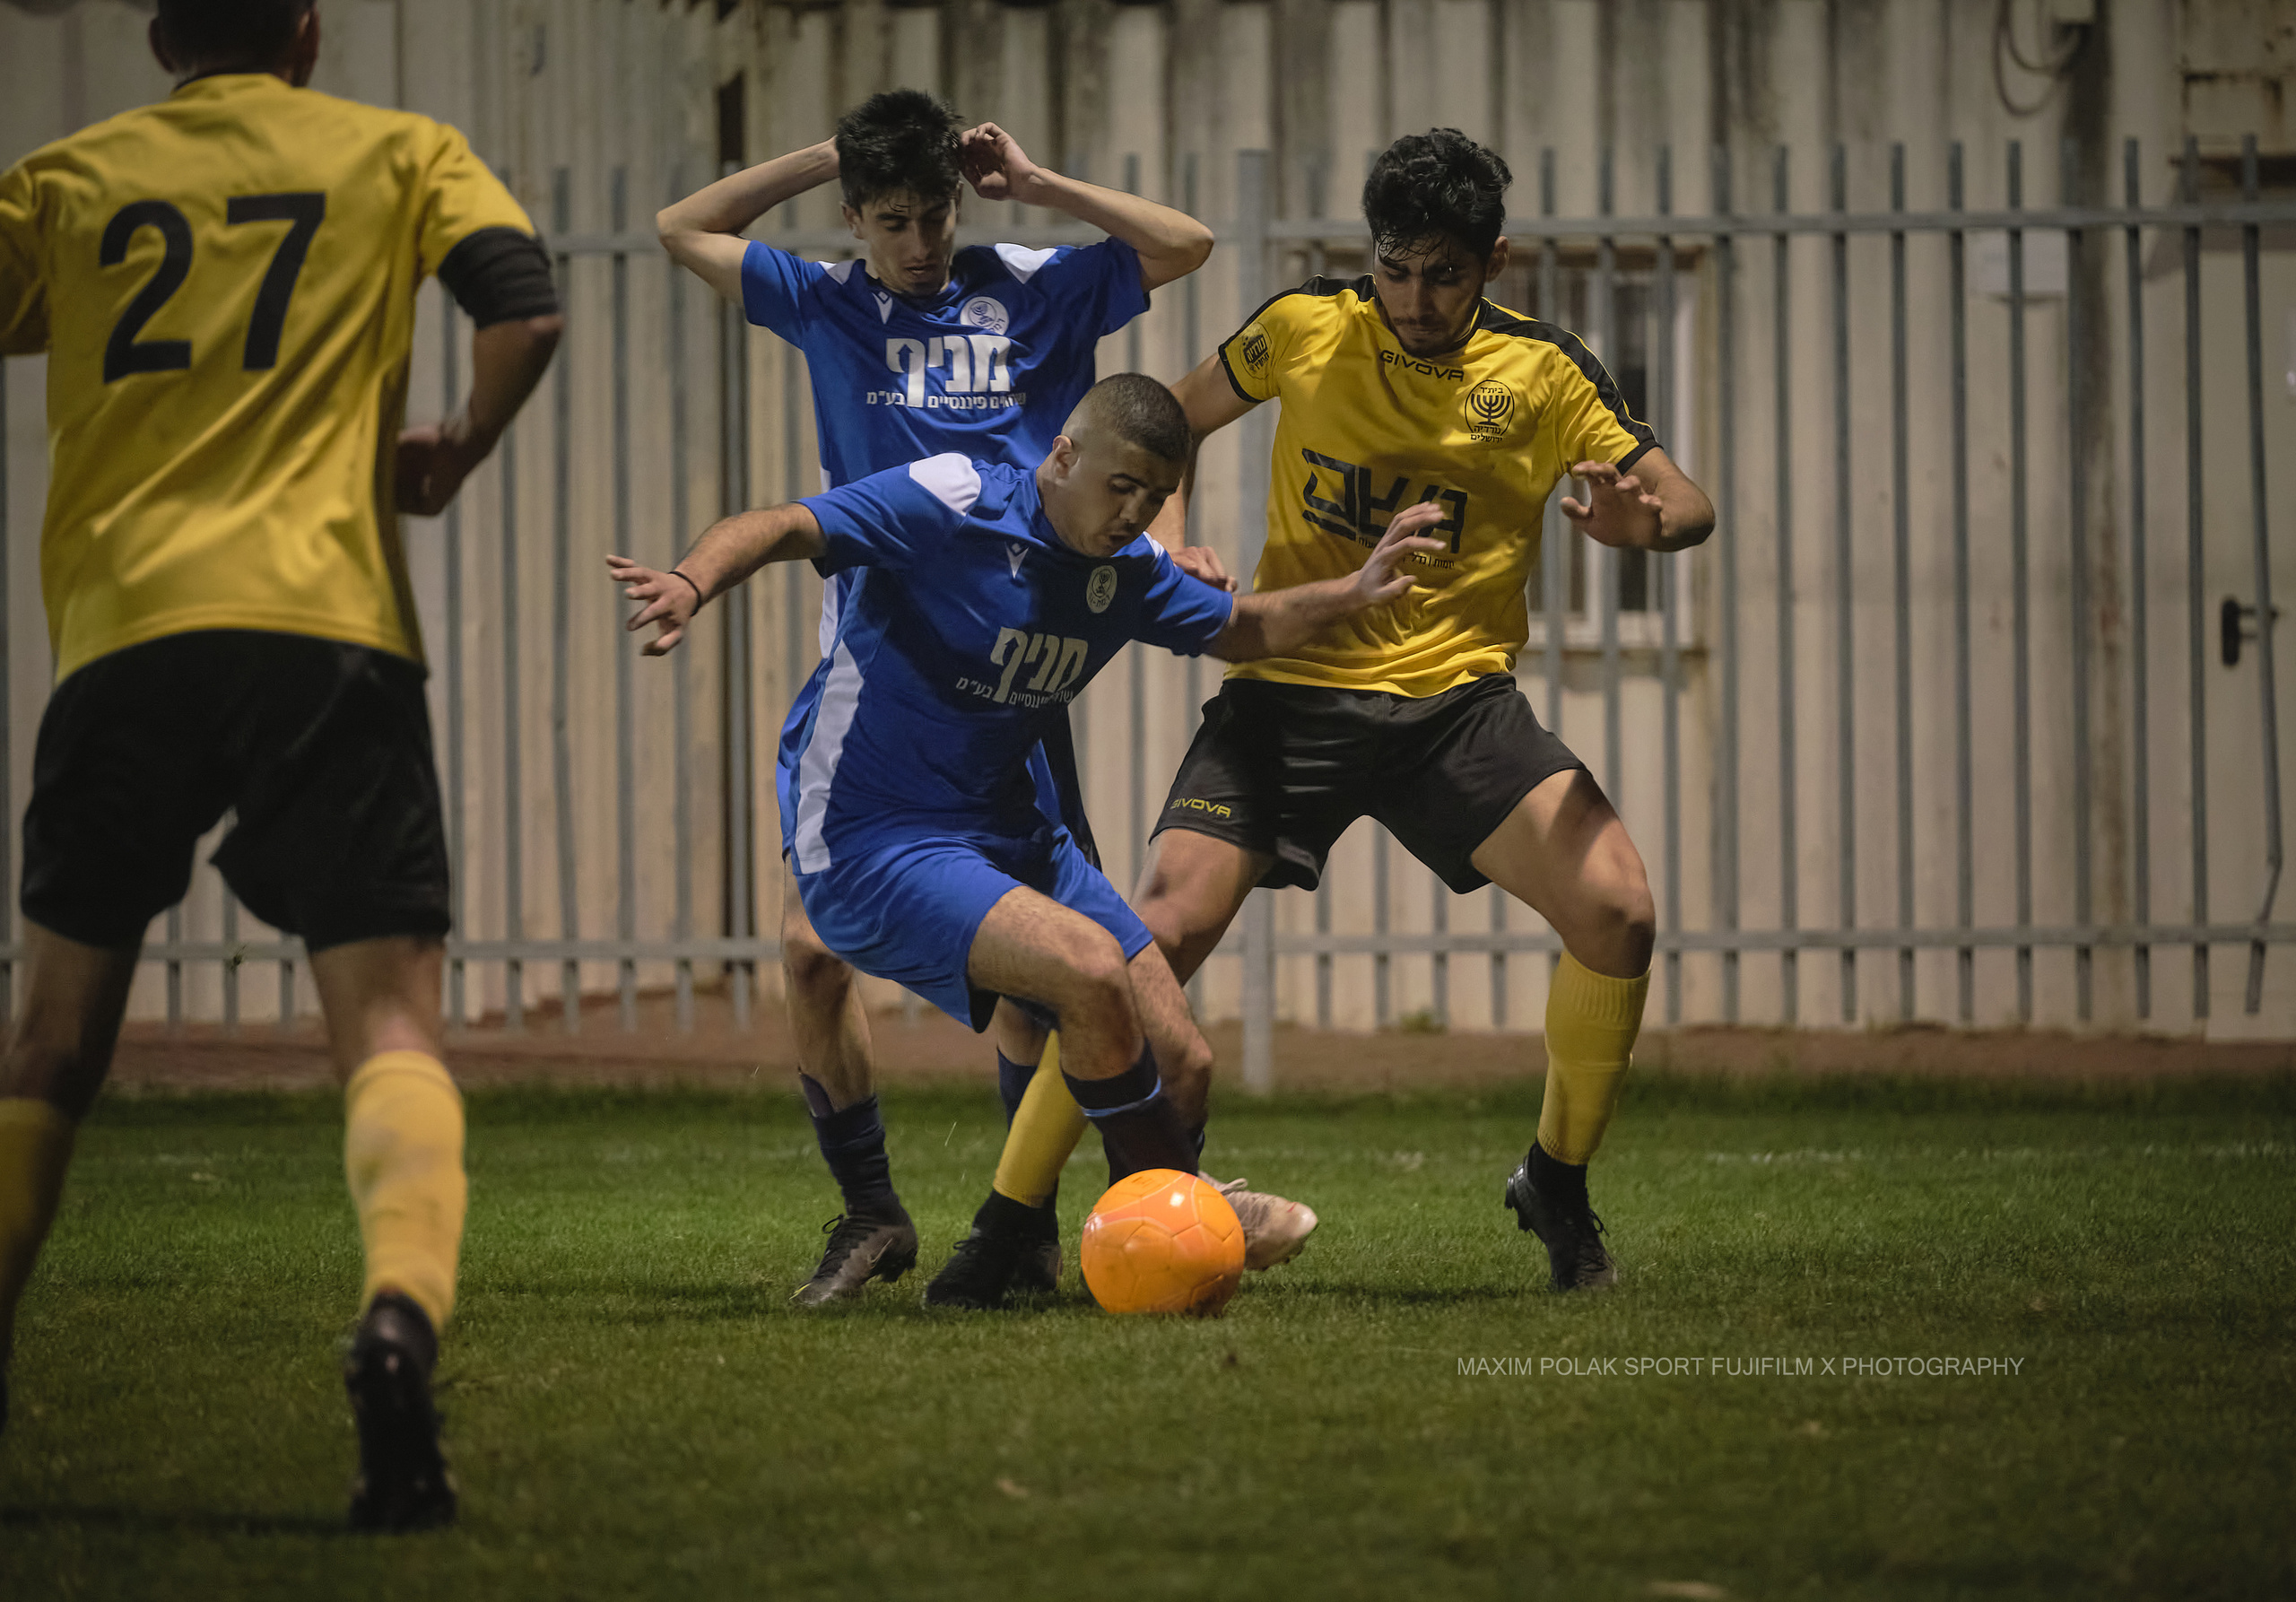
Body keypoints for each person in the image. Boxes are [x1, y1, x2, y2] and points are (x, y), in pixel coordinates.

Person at [974, 128, 1718, 1293]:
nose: (1414, 299)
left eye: (1444, 275)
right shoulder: (1305, 327)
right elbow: (1167, 417)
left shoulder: (1546, 371)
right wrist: (1169, 537)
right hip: (1288, 692)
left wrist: (1647, 527)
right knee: (1144, 939)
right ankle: (1009, 1221)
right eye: (1394, 268)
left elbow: (1687, 501)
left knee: (1618, 909)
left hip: (1456, 707)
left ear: (1494, 262)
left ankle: (1557, 1181)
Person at [0, 0, 561, 1530]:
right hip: (326, 627)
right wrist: (458, 442)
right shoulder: (400, 152)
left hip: (122, 631)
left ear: (158, 37)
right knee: (388, 1025)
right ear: (308, 33)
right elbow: (524, 307)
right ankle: (396, 1320)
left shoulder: (70, 179)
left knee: (49, 1044)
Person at [656, 91, 1300, 1309]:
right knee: (814, 950)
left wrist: (1040, 184)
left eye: (933, 215)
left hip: (1022, 633)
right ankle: (885, 1213)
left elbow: (1186, 245)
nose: (919, 242)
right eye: (891, 218)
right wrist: (829, 156)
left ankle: (1041, 1227)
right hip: (890, 641)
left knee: (1042, 972)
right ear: (857, 216)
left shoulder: (1027, 283)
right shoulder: (830, 299)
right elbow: (681, 226)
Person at [606, 378, 1439, 1232]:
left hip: (1004, 826)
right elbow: (787, 524)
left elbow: (1243, 628)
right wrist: (691, 581)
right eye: (1123, 486)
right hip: (872, 834)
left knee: (1184, 1061)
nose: (1136, 513)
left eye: (1155, 497)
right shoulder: (957, 498)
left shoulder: (1129, 567)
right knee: (1086, 969)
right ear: (1064, 456)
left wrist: (1352, 591)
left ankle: (1078, 1244)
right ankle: (1167, 1222)